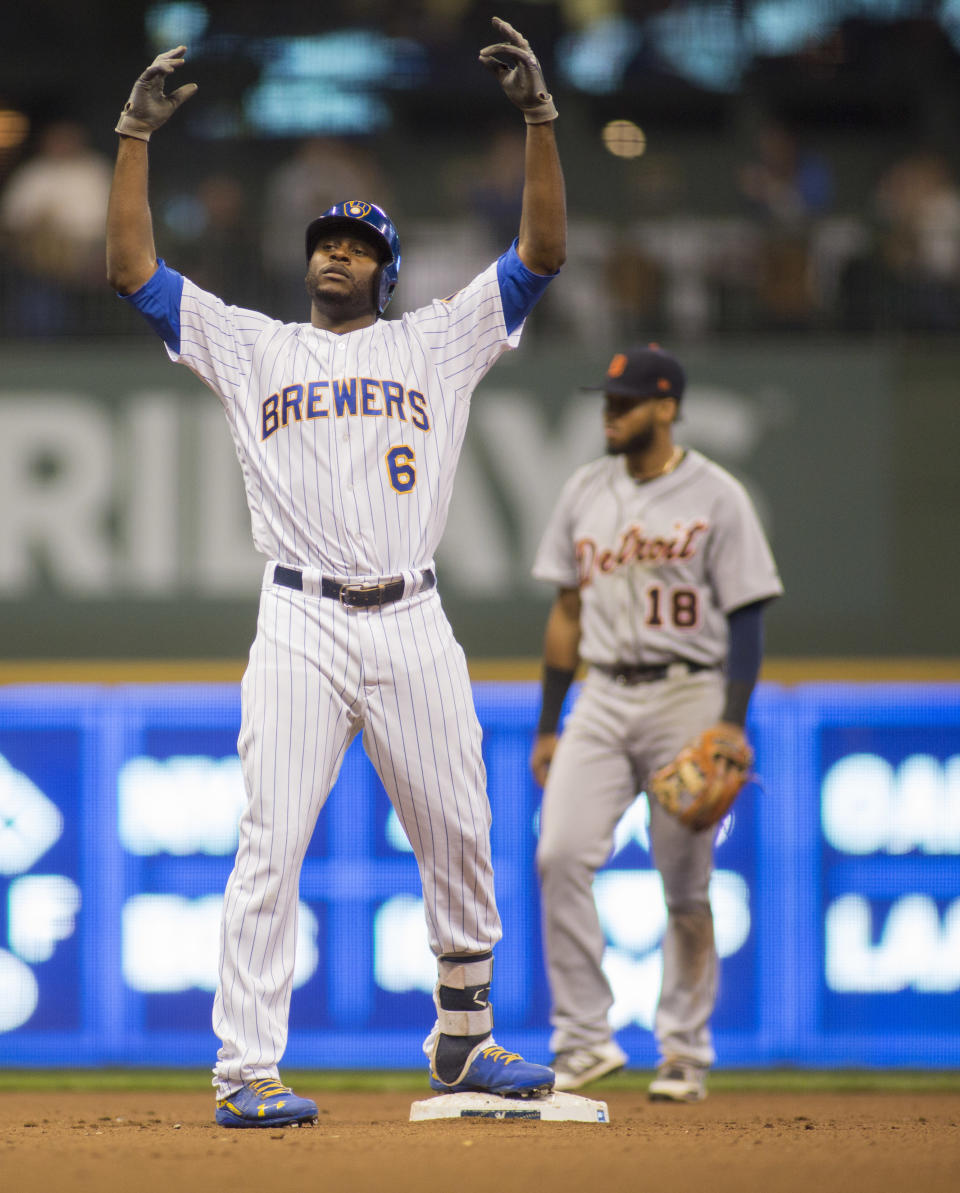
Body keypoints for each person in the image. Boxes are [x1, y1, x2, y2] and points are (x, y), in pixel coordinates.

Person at [106, 21, 565, 1128]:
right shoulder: (254, 342)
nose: (334, 251)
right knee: (270, 839)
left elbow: (541, 255)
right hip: (301, 615)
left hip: (412, 608)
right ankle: (245, 1067)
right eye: (325, 239)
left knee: (460, 824)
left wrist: (540, 122)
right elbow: (131, 270)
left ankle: (463, 1032)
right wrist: (131, 137)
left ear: (388, 269)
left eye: (356, 243)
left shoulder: (437, 343)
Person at [529, 344, 782, 1102]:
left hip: (688, 692)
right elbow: (566, 609)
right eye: (608, 400)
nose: (611, 412)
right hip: (601, 695)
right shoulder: (583, 490)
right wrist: (549, 721)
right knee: (558, 852)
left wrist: (732, 722)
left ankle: (684, 1051)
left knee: (684, 883)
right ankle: (582, 1036)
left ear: (667, 405)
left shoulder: (717, 494)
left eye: (627, 401)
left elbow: (747, 614)